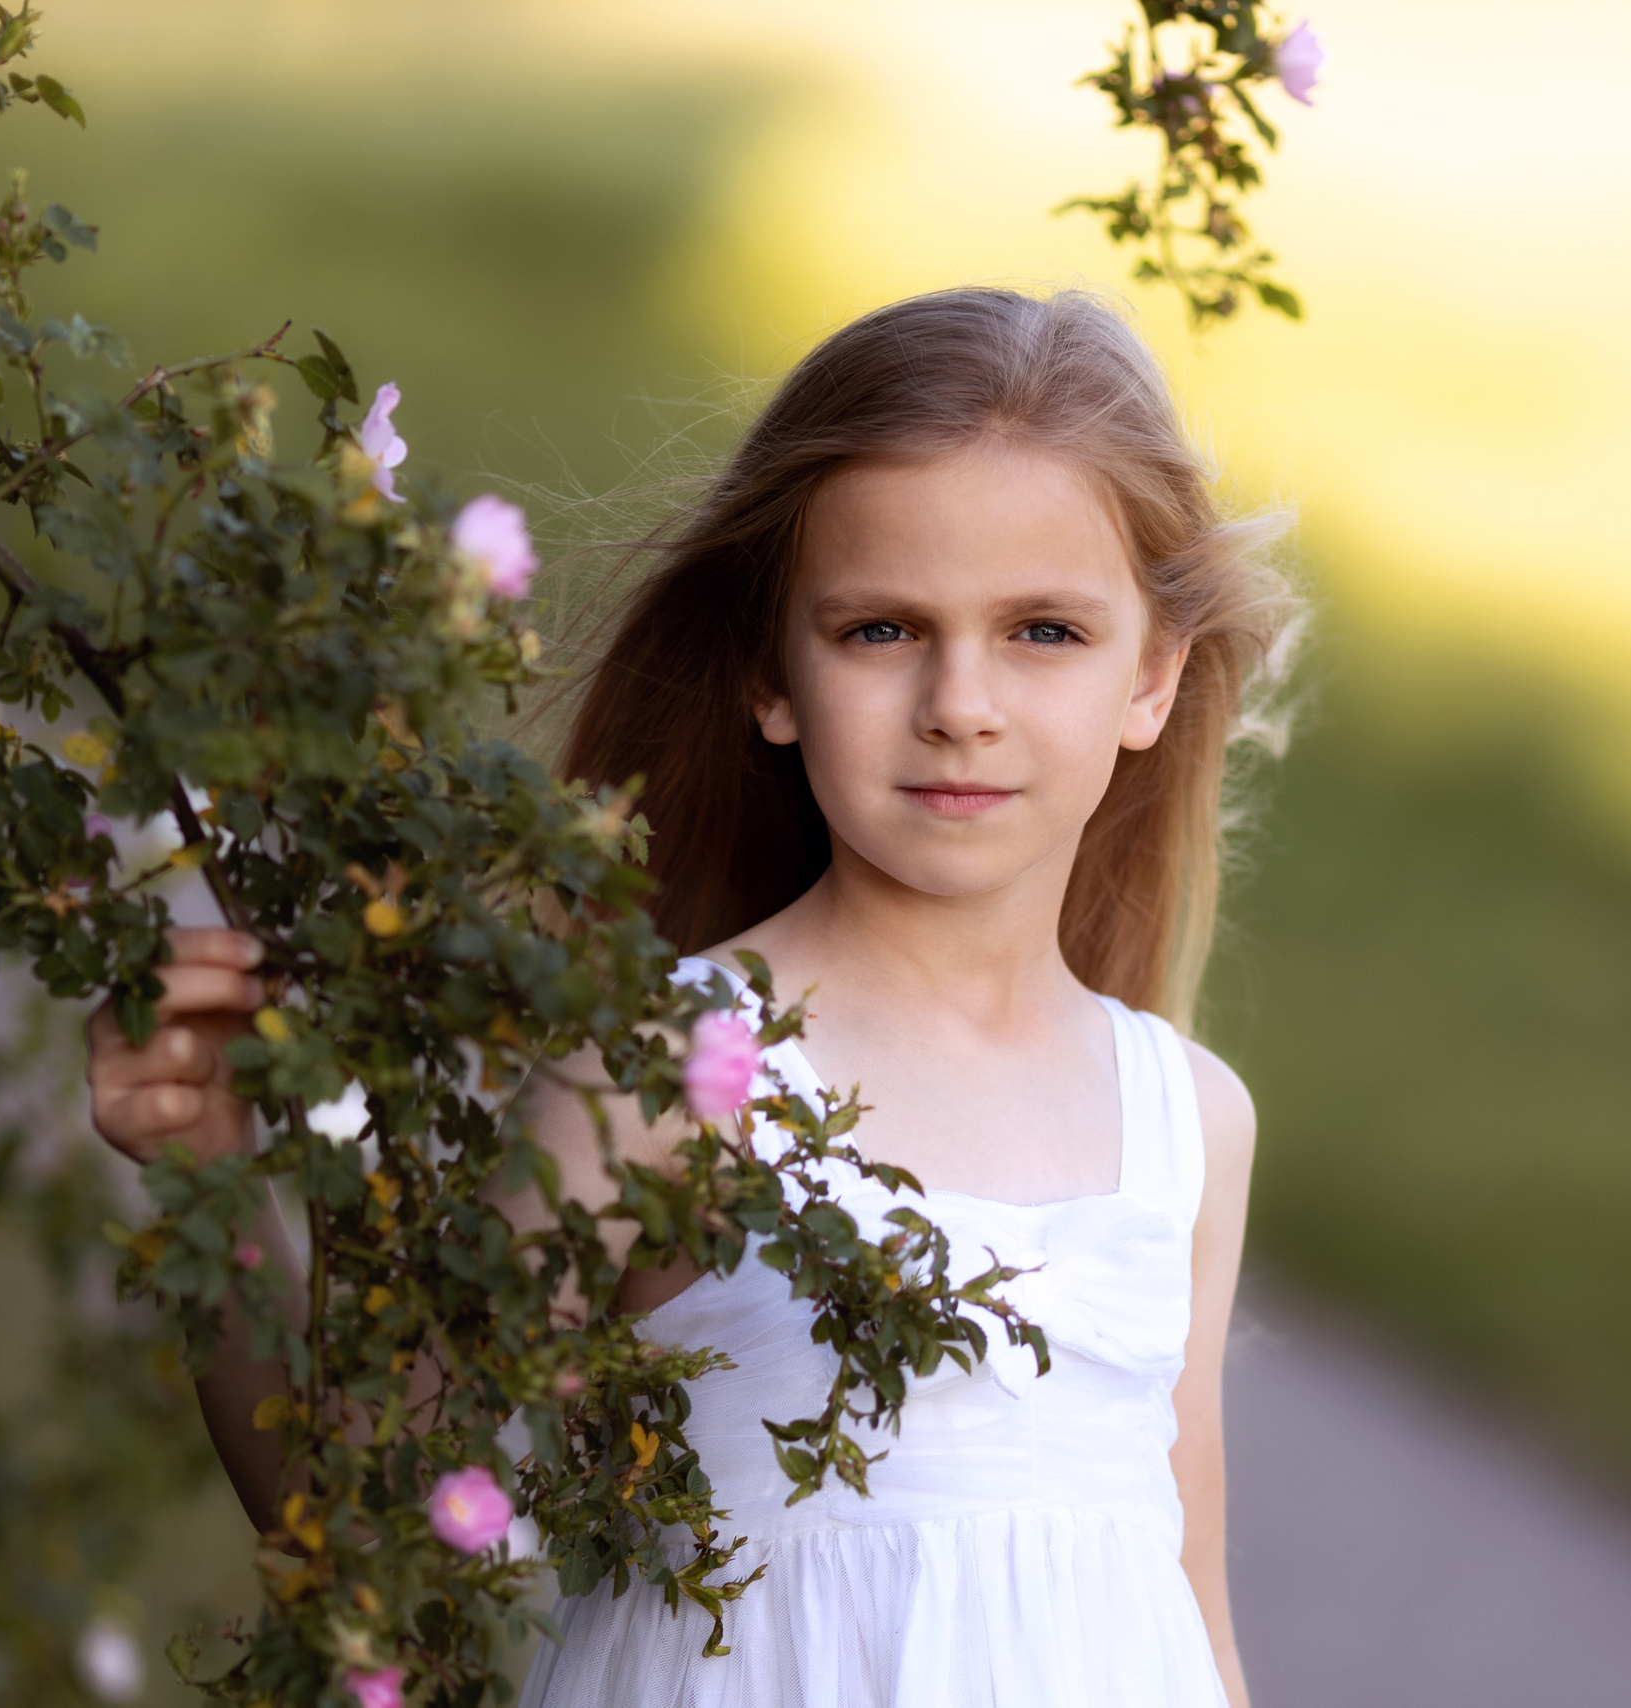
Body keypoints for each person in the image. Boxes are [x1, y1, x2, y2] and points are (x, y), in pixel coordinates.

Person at [86, 287, 1296, 1708]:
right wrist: (206, 1172)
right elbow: (369, 1539)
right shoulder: (667, 1067)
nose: (962, 702)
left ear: (1153, 675)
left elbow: (1190, 1617)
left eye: (1043, 632)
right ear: (769, 676)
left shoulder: (1186, 1124)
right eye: (882, 631)